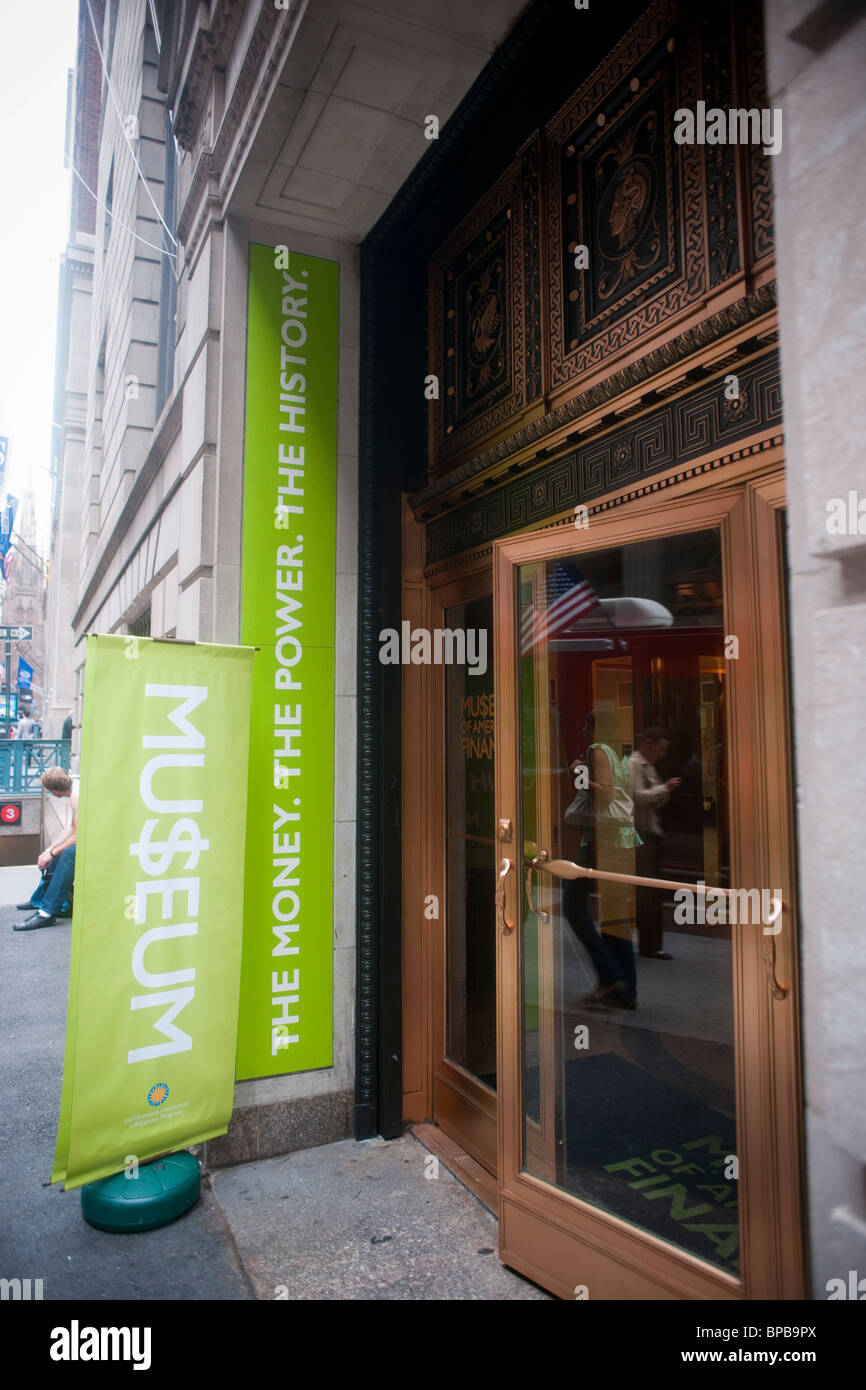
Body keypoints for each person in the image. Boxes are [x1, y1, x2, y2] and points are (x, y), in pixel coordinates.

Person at [563, 712, 641, 1009]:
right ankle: (624, 989)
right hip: (620, 840)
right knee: (615, 915)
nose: (583, 727)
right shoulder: (620, 753)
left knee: (572, 903)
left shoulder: (598, 750)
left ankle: (611, 975)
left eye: (587, 723)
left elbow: (605, 795)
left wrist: (578, 773)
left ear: (595, 728)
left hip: (601, 843)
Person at [629, 728, 681, 959]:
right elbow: (637, 796)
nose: (661, 755)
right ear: (648, 743)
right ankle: (649, 945)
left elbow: (657, 800)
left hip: (652, 831)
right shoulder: (635, 764)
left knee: (652, 892)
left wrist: (663, 791)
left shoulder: (648, 766)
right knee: (647, 892)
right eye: (660, 749)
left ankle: (652, 944)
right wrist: (664, 788)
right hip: (642, 833)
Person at [14, 767, 77, 931]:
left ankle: (46, 913)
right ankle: (40, 900)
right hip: (88, 837)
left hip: (100, 841)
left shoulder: (75, 798)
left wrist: (52, 853)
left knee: (68, 853)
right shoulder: (75, 791)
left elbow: (79, 835)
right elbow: (71, 829)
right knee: (59, 852)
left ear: (54, 791)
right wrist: (49, 850)